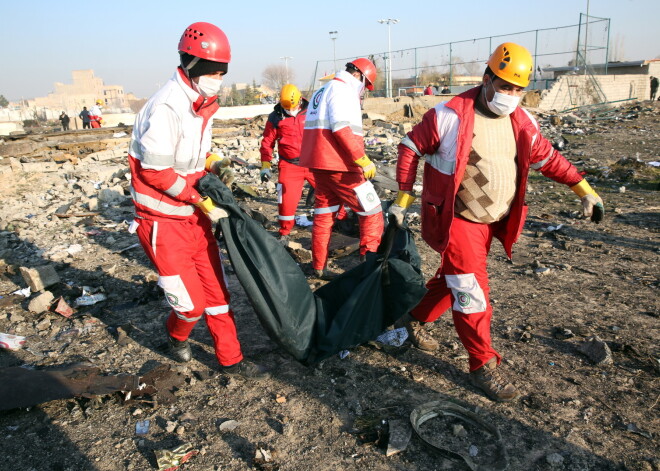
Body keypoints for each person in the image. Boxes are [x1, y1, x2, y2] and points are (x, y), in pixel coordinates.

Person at [389, 42, 604, 402]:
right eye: (505, 86)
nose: (511, 96)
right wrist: (403, 198)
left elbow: (549, 158)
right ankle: (482, 364)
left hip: (492, 222)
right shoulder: (449, 115)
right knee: (472, 291)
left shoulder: (522, 121)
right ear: (487, 79)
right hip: (458, 220)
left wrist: (584, 190)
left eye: (519, 89)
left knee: (454, 279)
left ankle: (412, 316)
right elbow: (410, 147)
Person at [128, 21, 268, 380]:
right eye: (210, 70)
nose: (216, 77)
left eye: (221, 71)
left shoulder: (200, 104)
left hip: (193, 218)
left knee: (218, 294)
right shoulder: (167, 107)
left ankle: (231, 358)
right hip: (162, 223)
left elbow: (194, 155)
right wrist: (198, 200)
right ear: (188, 64)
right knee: (191, 306)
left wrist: (216, 163)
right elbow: (155, 173)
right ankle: (175, 336)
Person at [299, 58, 383, 279]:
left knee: (324, 215)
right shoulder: (343, 89)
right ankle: (370, 268)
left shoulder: (322, 90)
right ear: (358, 75)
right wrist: (361, 159)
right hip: (341, 166)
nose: (364, 90)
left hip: (319, 165)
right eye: (366, 84)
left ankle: (319, 266)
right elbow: (341, 127)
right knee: (372, 211)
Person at [259, 84, 314, 244]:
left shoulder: (312, 111)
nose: (291, 110)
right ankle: (284, 231)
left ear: (300, 99)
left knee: (332, 192)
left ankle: (341, 220)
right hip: (289, 165)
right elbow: (267, 142)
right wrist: (265, 165)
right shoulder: (276, 117)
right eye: (287, 108)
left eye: (294, 106)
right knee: (286, 201)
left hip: (313, 162)